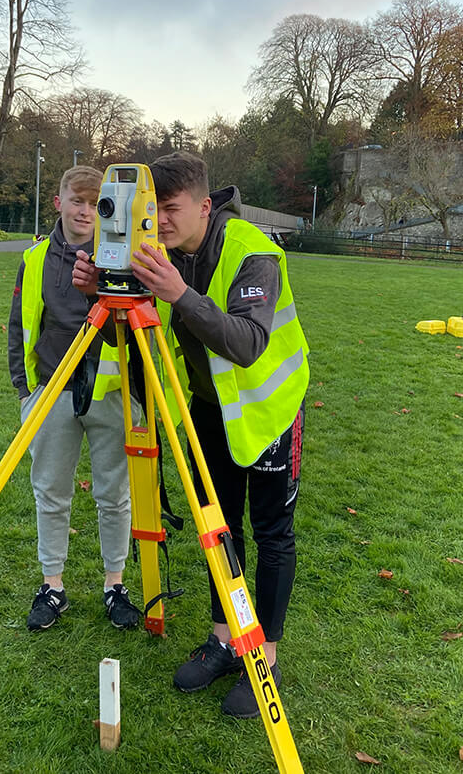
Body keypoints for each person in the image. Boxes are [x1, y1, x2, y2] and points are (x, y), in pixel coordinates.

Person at [72, 152, 309, 718]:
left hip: (269, 408)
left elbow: (249, 344)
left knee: (271, 532)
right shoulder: (168, 253)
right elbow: (138, 354)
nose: (162, 222)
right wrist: (103, 293)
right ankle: (225, 640)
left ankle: (265, 658)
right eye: (154, 211)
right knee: (218, 528)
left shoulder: (252, 251)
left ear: (205, 206)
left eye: (171, 210)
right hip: (209, 408)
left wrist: (178, 294)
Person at [8, 165, 142, 632]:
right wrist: (26, 392)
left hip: (109, 393)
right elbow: (19, 326)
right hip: (51, 392)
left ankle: (114, 585)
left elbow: (135, 331)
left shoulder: (123, 256)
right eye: (77, 200)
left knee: (114, 495)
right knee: (50, 493)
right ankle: (53, 586)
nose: (86, 211)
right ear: (59, 202)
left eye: (95, 202)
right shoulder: (36, 257)